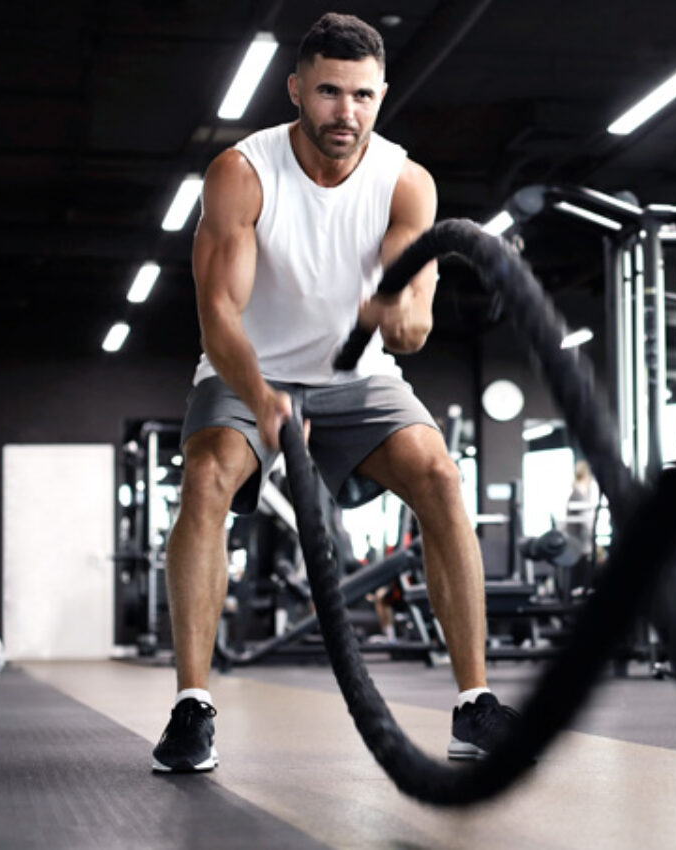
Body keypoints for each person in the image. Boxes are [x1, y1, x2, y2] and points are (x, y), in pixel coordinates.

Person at [151, 12, 517, 773]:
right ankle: (192, 705)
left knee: (441, 475)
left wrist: (404, 314)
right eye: (327, 92)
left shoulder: (405, 181)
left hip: (357, 377)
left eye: (362, 96)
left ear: (381, 96)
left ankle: (473, 704)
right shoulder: (241, 173)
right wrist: (265, 397)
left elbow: (412, 328)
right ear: (295, 90)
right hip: (248, 367)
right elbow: (219, 315)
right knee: (206, 477)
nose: (344, 113)